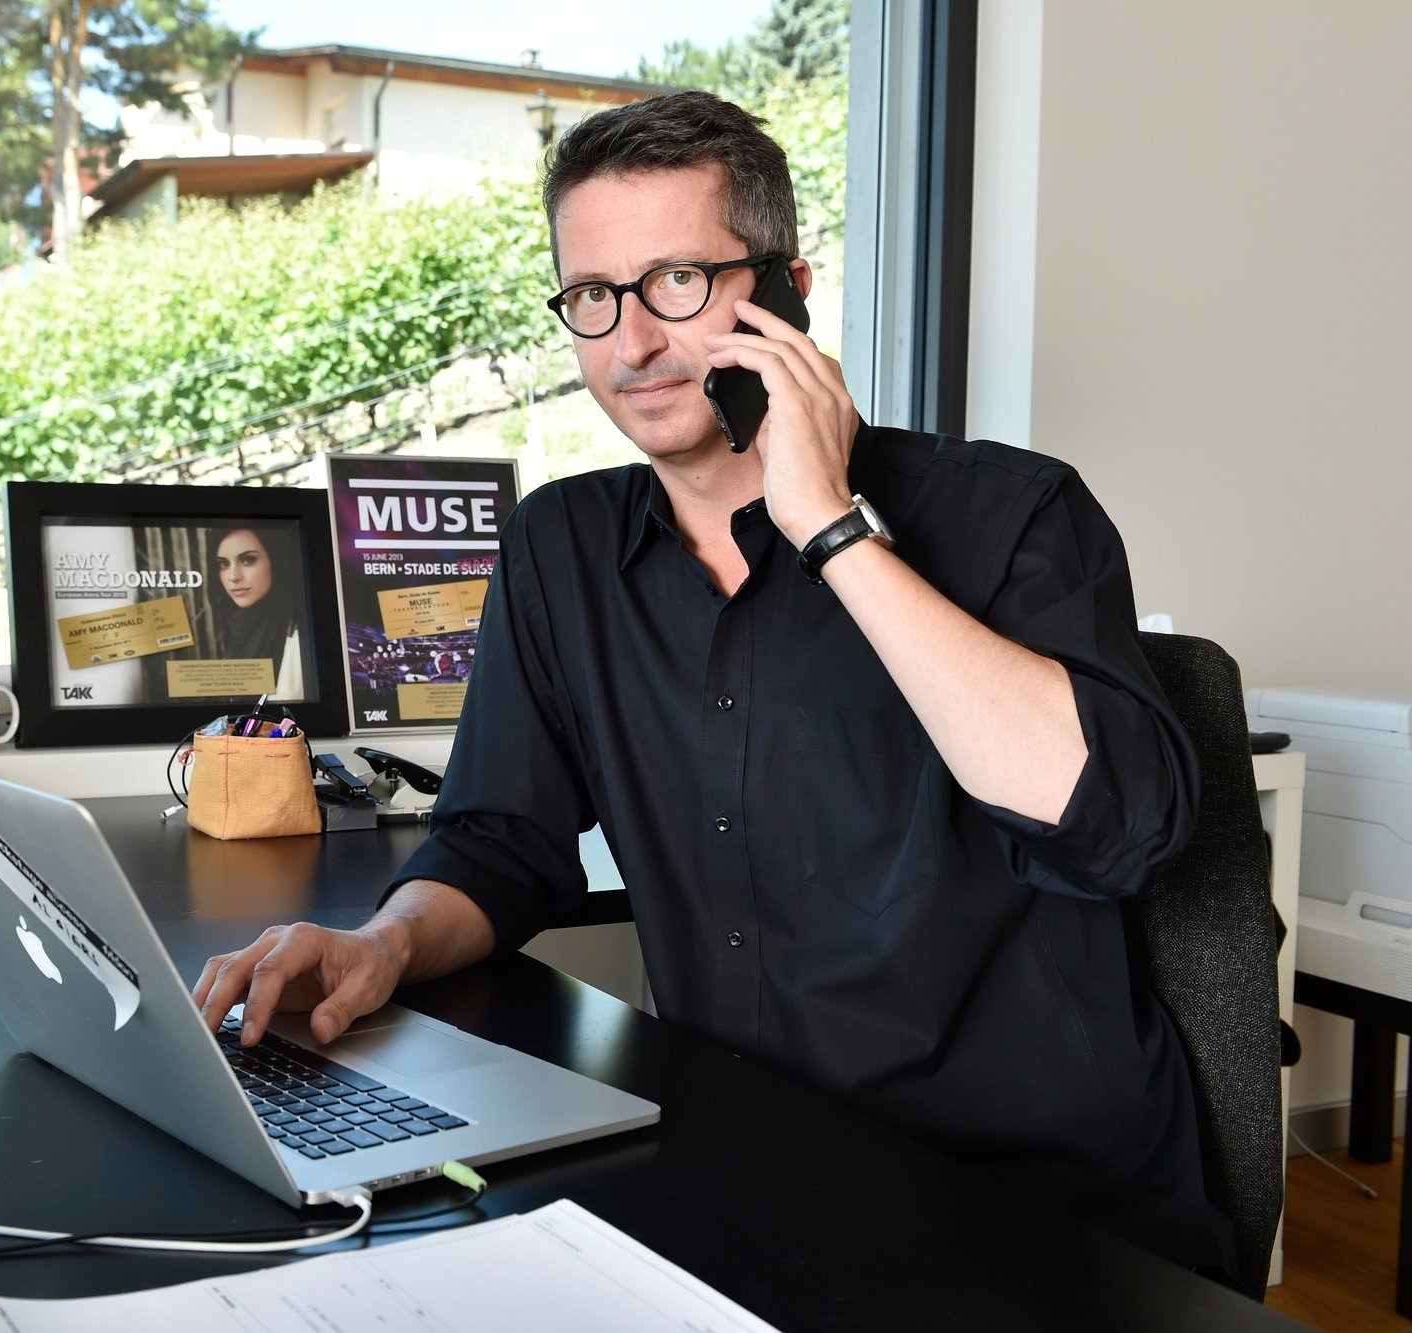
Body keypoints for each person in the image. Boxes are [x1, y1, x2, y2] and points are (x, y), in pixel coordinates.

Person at [192, 90, 1230, 1276]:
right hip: (731, 1166)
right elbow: (499, 843)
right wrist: (382, 941)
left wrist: (828, 528)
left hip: (1028, 1212)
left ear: (785, 288)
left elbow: (1118, 830)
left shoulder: (1010, 512)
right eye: (592, 297)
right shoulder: (561, 547)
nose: (630, 345)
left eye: (676, 283)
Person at [212, 527, 305, 700]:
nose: (233, 576)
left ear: (275, 560)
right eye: (223, 564)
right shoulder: (231, 629)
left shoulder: (299, 635)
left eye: (248, 560)